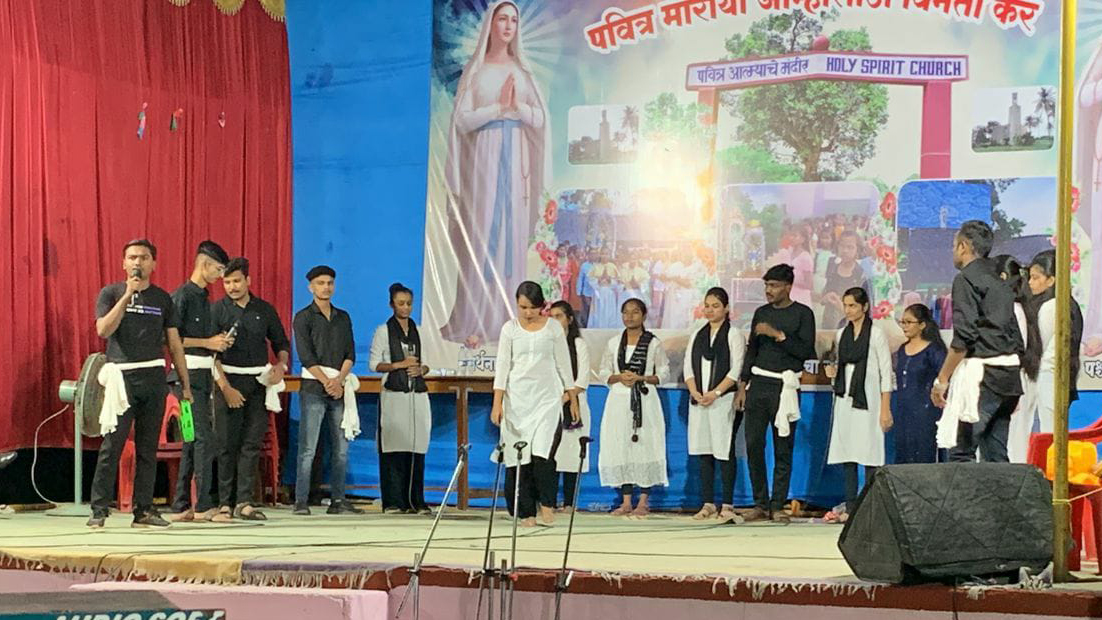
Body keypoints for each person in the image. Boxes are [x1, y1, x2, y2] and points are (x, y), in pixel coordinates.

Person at [442, 0, 550, 347]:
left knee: (511, 234)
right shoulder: (477, 71)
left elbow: (540, 119)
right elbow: (462, 121)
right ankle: (476, 319)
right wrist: (497, 109)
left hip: (516, 157)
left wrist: (517, 108)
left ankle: (509, 318)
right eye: (502, 19)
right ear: (490, 24)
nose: (507, 26)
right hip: (484, 160)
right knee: (483, 230)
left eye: (513, 20)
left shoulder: (522, 72)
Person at [88, 239, 191, 529]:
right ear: (124, 263)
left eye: (144, 257)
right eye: (132, 257)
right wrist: (127, 297)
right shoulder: (111, 293)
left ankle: (143, 510)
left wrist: (184, 384)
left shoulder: (162, 299)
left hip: (154, 377)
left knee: (148, 448)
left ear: (153, 263)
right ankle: (99, 509)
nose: (138, 262)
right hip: (121, 379)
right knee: (113, 445)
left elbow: (174, 343)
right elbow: (103, 329)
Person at [931, 221, 1024, 463]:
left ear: (963, 246)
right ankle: (1001, 491)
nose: (953, 251)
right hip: (1009, 379)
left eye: (954, 245)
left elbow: (964, 337)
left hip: (983, 377)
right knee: (996, 455)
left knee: (961, 453)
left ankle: (966, 494)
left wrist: (942, 380)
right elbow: (1017, 339)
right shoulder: (1000, 280)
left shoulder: (965, 279)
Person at [492, 281, 578, 527]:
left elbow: (563, 364)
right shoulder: (509, 329)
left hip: (546, 401)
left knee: (543, 454)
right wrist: (497, 403)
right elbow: (502, 367)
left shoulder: (553, 328)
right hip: (517, 402)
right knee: (520, 459)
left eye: (532, 307)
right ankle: (526, 512)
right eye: (523, 307)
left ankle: (547, 505)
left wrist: (572, 398)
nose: (528, 313)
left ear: (542, 306)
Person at [211, 258, 291, 521]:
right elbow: (210, 355)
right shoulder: (217, 310)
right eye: (227, 282)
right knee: (226, 444)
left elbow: (281, 343)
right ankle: (224, 502)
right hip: (227, 382)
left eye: (236, 281)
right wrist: (225, 388)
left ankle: (244, 502)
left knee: (251, 443)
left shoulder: (264, 309)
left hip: (258, 383)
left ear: (248, 280)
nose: (232, 287)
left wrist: (280, 365)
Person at [736, 264, 816, 523]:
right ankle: (760, 503)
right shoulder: (761, 312)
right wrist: (742, 386)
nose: (768, 290)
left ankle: (778, 505)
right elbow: (752, 351)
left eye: (774, 285)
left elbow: (805, 351)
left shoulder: (803, 314)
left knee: (783, 448)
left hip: (785, 387)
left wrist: (778, 335)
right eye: (766, 285)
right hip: (758, 384)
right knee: (753, 445)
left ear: (788, 287)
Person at [165, 241, 231, 523]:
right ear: (204, 265)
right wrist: (207, 342)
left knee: (192, 439)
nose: (220, 275)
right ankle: (203, 505)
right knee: (204, 437)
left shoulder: (205, 298)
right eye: (218, 269)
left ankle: (181, 504)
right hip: (186, 377)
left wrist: (217, 343)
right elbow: (172, 339)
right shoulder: (182, 296)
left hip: (202, 374)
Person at [293, 266, 362, 516]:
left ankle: (338, 500)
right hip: (314, 386)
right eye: (321, 283)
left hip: (338, 387)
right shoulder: (303, 317)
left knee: (341, 448)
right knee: (308, 448)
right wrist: (327, 382)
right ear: (311, 287)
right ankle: (301, 500)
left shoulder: (343, 317)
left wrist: (339, 381)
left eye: (330, 283)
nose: (326, 287)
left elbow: (350, 353)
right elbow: (306, 356)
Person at [824, 288, 893, 520]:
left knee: (870, 450)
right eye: (845, 305)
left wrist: (885, 408)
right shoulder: (841, 334)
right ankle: (851, 505)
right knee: (849, 451)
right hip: (846, 398)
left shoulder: (876, 334)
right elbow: (841, 366)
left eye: (853, 305)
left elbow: (885, 372)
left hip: (869, 399)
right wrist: (833, 374)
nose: (848, 310)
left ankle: (870, 505)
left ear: (864, 307)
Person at [599, 298, 670, 518]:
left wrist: (642, 378)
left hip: (645, 400)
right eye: (626, 312)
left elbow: (664, 373)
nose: (630, 317)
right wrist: (619, 377)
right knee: (621, 446)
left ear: (644, 315)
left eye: (635, 312)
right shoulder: (614, 343)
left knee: (645, 445)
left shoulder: (653, 343)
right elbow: (603, 372)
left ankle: (643, 501)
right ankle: (626, 501)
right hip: (619, 401)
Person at [370, 282, 433, 514]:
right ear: (392, 305)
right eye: (400, 304)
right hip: (394, 395)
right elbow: (374, 364)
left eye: (408, 304)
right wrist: (399, 365)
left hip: (416, 394)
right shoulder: (383, 331)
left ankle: (416, 500)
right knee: (393, 447)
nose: (405, 308)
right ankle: (393, 501)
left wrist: (421, 369)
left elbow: (429, 362)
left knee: (416, 446)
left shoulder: (420, 331)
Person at [684, 287, 745, 523]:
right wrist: (695, 392)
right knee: (704, 451)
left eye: (715, 306)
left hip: (723, 400)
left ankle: (727, 504)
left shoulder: (733, 334)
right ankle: (707, 502)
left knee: (724, 450)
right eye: (707, 306)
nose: (710, 310)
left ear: (726, 308)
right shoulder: (697, 335)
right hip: (699, 400)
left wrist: (716, 392)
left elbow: (736, 368)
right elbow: (689, 367)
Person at [1019, 250, 1085, 450]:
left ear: (1051, 280)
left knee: (1048, 431)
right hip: (1058, 374)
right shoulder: (1069, 304)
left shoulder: (1051, 307)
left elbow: (1041, 344)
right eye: (1030, 277)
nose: (1030, 283)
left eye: (1036, 278)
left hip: (1047, 374)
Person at [993, 255, 1039, 464]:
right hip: (1010, 381)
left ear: (1002, 277)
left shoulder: (1012, 310)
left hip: (1010, 381)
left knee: (1012, 443)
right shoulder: (1016, 308)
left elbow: (1014, 352)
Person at [893, 303, 947, 464]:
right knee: (904, 455)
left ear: (922, 325)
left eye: (908, 322)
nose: (904, 326)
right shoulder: (902, 349)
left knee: (924, 455)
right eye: (902, 322)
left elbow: (944, 378)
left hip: (927, 413)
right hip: (903, 413)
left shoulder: (934, 350)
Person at [549, 301, 590, 512]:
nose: (554, 320)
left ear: (570, 320)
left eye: (559, 316)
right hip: (551, 405)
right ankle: (548, 501)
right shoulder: (547, 343)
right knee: (551, 453)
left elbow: (582, 378)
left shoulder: (578, 344)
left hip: (575, 404)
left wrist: (566, 397)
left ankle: (568, 502)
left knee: (572, 455)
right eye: (551, 316)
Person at [819, 231, 868, 328]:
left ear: (857, 250)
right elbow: (823, 295)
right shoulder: (832, 266)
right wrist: (826, 298)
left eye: (850, 247)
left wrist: (840, 305)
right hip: (829, 322)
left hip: (850, 325)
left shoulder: (860, 273)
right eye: (842, 246)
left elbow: (861, 309)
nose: (845, 250)